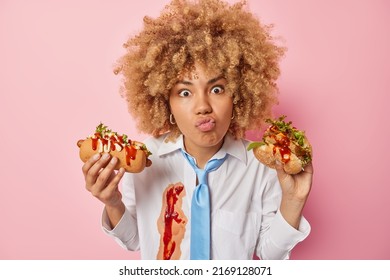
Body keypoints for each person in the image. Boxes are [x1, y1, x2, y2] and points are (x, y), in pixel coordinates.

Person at [82, 0, 313, 260]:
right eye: (184, 92)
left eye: (217, 89)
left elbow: (270, 254)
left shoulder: (262, 166)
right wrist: (112, 202)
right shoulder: (146, 159)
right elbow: (136, 239)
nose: (203, 106)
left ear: (238, 95)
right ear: (163, 102)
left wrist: (294, 201)